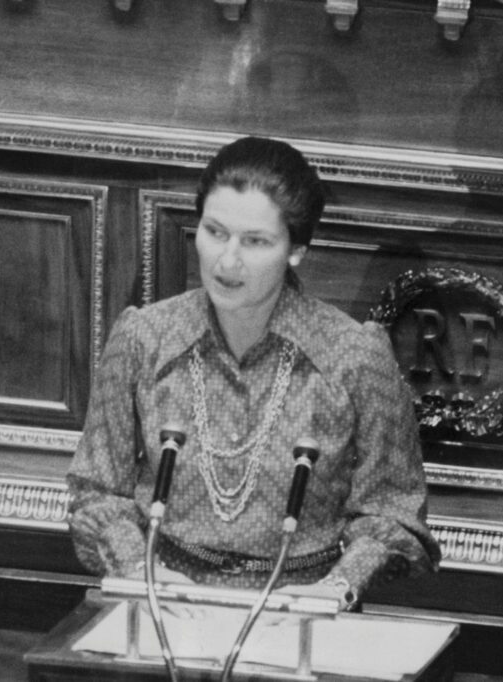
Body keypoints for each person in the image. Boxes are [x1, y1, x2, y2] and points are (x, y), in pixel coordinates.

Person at [67, 136, 440, 609]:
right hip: (162, 602)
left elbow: (394, 513)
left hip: (303, 611)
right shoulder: (144, 338)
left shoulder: (354, 356)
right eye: (215, 231)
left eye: (256, 241)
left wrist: (335, 588)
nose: (227, 260)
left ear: (296, 249)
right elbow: (96, 492)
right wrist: (140, 571)